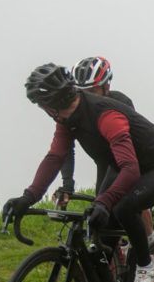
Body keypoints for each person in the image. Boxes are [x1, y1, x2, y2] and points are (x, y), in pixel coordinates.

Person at [3, 63, 154, 282]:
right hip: (119, 167)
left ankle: (146, 266)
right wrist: (28, 197)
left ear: (52, 103)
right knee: (98, 244)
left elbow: (131, 168)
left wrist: (105, 201)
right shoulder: (66, 119)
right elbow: (55, 157)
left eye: (41, 105)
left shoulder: (105, 115)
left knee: (123, 208)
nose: (41, 109)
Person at [57, 56, 135, 199]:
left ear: (106, 87)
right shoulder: (73, 111)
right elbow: (65, 150)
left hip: (127, 162)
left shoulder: (120, 102)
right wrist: (67, 185)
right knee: (100, 210)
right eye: (81, 91)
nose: (86, 96)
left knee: (131, 203)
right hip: (104, 164)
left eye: (92, 91)